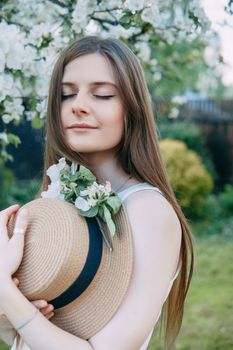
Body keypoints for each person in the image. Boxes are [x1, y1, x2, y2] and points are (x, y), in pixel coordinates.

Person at [0, 35, 194, 350]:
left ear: (131, 108)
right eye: (66, 94)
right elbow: (24, 338)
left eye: (102, 94)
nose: (78, 106)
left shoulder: (149, 212)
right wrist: (7, 313)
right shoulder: (55, 199)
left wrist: (6, 294)